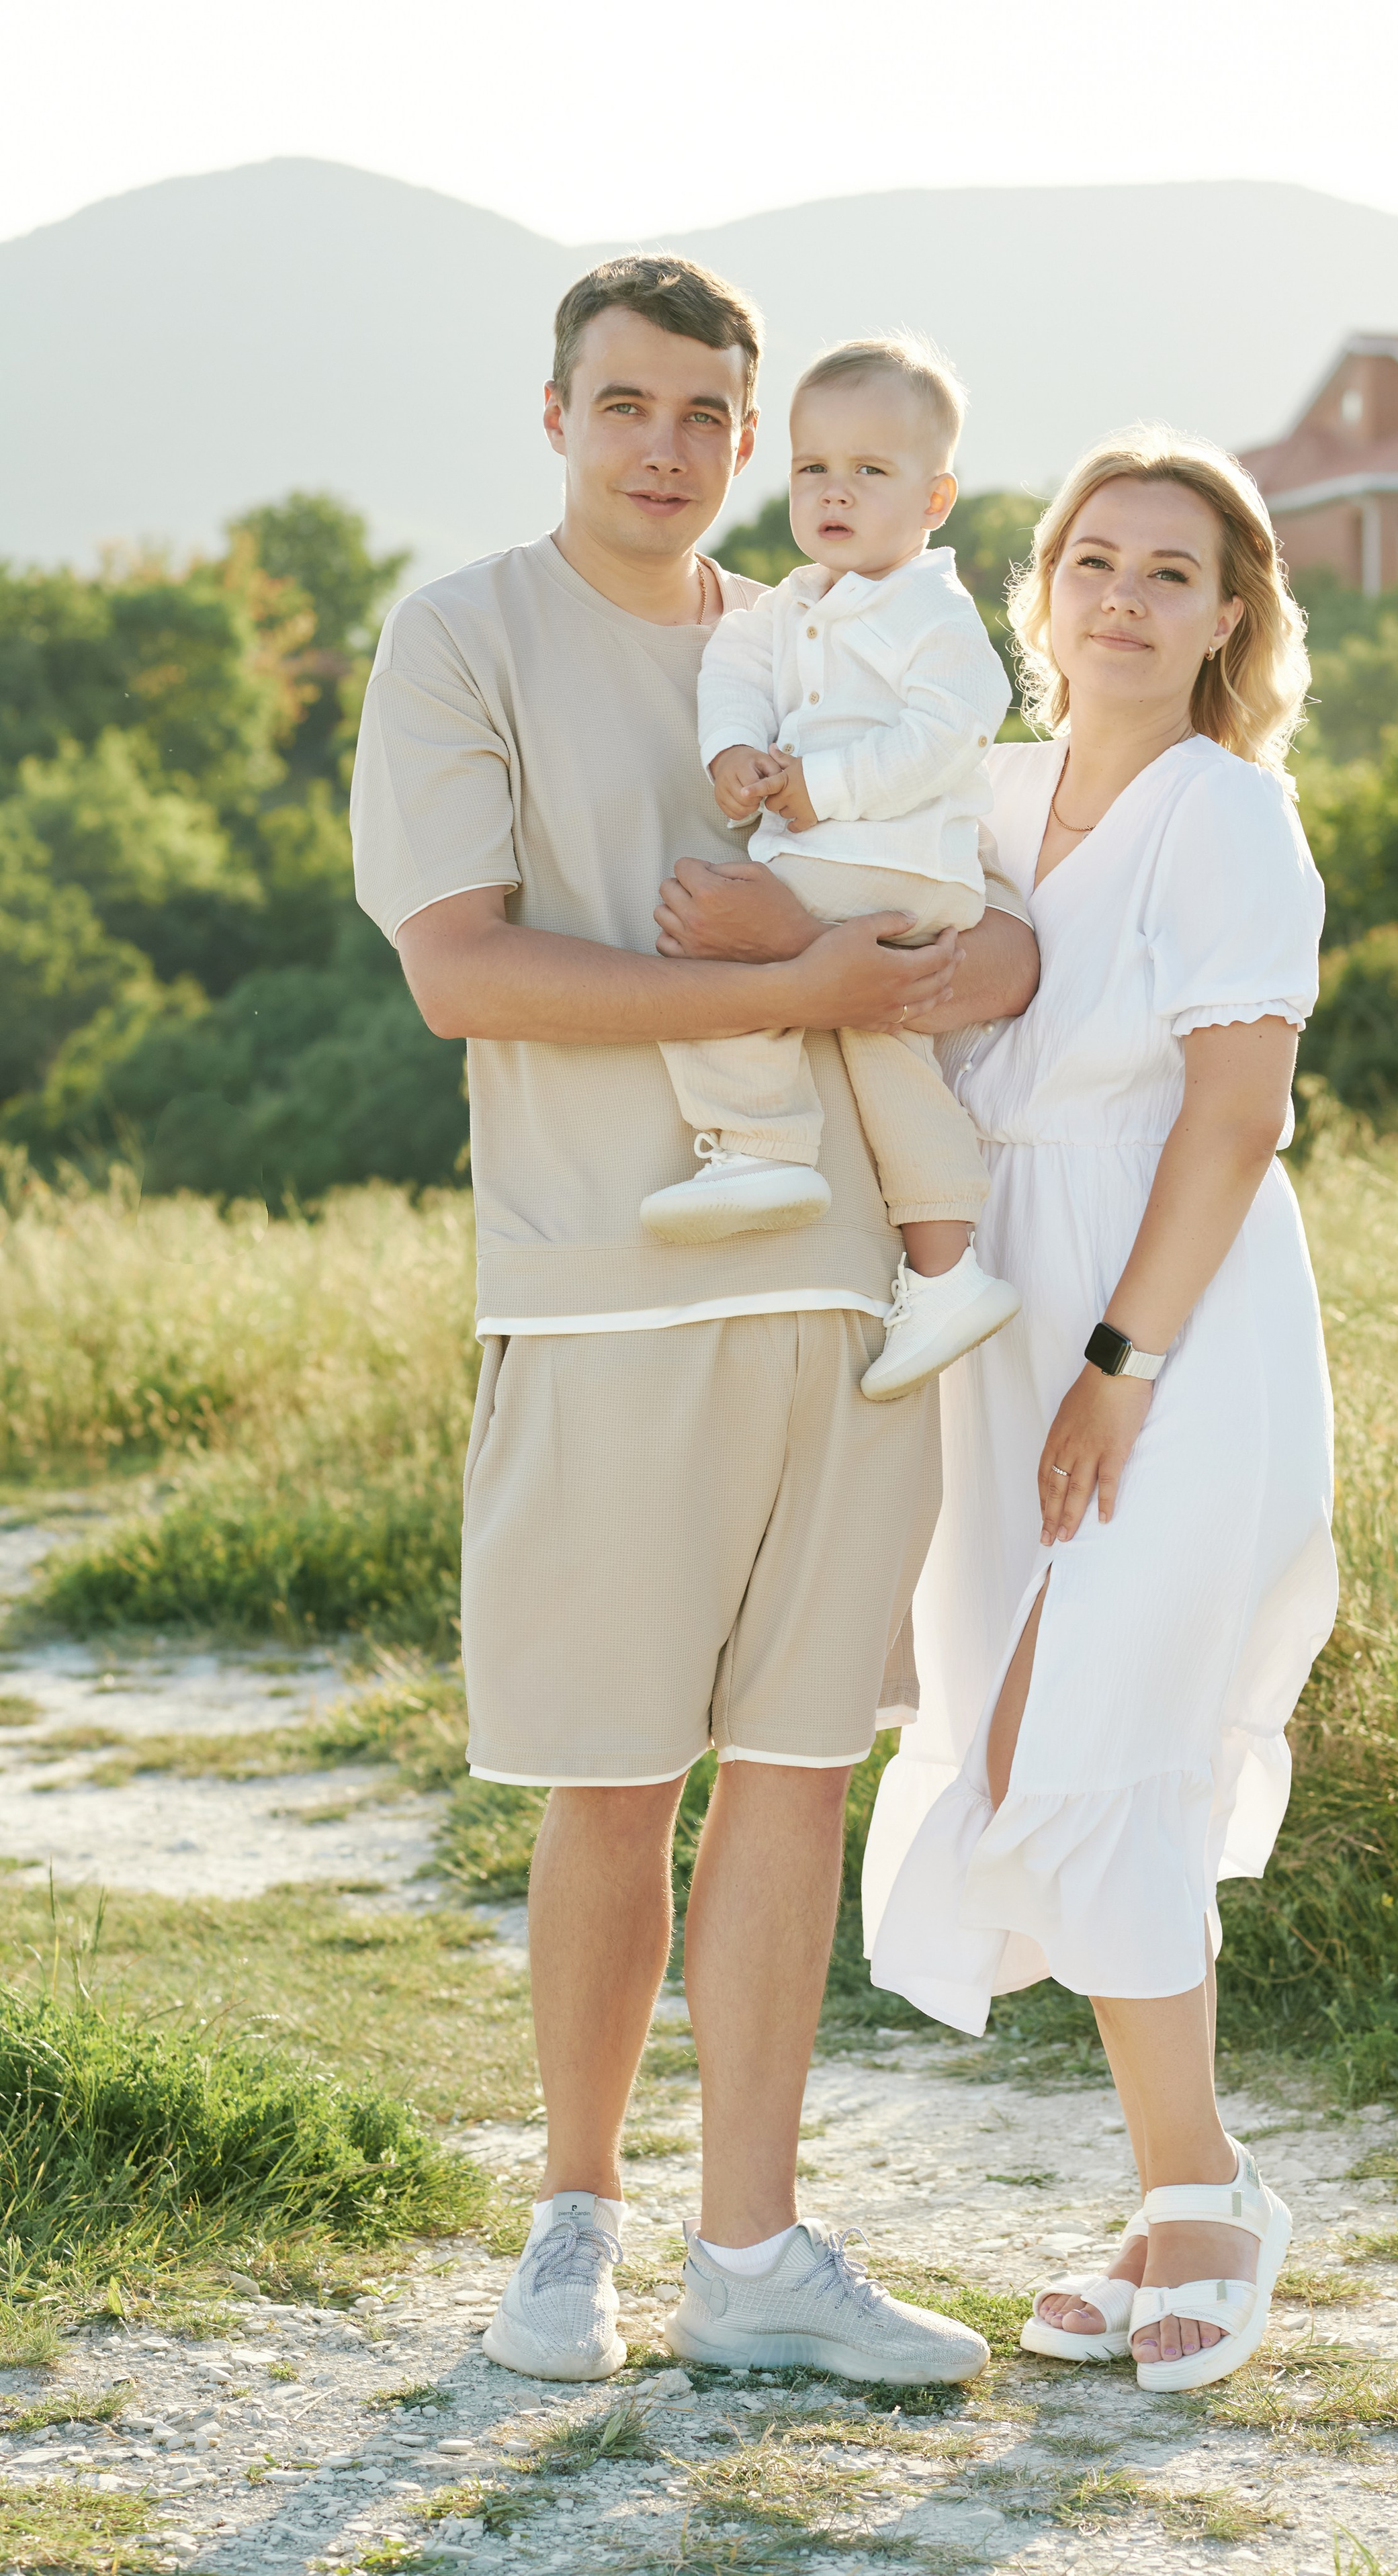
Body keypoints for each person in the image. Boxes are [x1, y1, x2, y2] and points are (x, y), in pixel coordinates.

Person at [350, 253, 1037, 2387]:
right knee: (610, 1776)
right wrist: (790, 992)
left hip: (856, 1290)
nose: (668, 448)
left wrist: (955, 969)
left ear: (755, 438)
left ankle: (756, 2247)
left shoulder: (833, 630)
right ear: (553, 412)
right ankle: (574, 2229)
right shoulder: (463, 631)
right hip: (603, 1286)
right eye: (626, 405)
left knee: (801, 1771)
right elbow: (464, 968)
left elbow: (999, 924)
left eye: (704, 417)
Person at [862, 427, 1338, 2393]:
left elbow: (1234, 1115)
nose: (1126, 598)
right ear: (1039, 588)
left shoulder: (1230, 814)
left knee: (1100, 1732)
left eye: (1172, 571)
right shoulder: (976, 794)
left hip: (1176, 1311)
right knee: (1027, 1730)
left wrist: (1122, 1367)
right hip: (1002, 1305)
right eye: (1096, 560)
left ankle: (1204, 2190)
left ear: (1230, 619)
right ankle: (1172, 2192)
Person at [643, 335, 1018, 1403]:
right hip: (853, 857)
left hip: (891, 857)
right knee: (884, 1055)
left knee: (715, 936)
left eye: (871, 471)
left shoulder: (930, 613)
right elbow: (733, 673)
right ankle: (947, 1273)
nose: (835, 492)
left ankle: (762, 1143)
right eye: (814, 469)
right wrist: (732, 758)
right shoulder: (785, 607)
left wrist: (825, 789)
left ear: (935, 496)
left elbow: (954, 728)